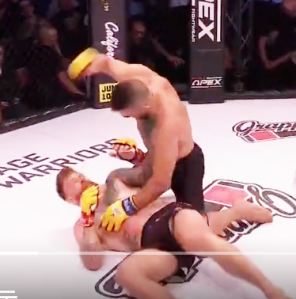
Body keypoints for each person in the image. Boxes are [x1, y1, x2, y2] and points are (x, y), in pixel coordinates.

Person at [56, 162, 293, 299]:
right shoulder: (83, 225)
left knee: (199, 237)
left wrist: (134, 158)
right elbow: (92, 262)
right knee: (127, 274)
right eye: (74, 183)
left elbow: (157, 174)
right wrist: (88, 218)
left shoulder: (115, 180)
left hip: (170, 218)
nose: (81, 181)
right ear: (70, 200)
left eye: (80, 176)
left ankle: (271, 291)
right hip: (155, 248)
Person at [67, 49, 205, 230]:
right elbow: (106, 63)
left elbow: (161, 182)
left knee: (193, 227)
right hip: (156, 158)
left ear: (144, 105)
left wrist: (127, 206)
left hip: (184, 166)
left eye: (131, 115)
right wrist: (89, 66)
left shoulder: (166, 126)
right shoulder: (137, 78)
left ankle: (238, 211)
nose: (129, 118)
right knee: (116, 177)